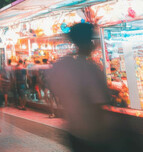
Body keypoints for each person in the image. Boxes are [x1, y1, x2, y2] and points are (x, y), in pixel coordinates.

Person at [47, 23, 114, 152]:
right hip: (93, 134)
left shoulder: (62, 66)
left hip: (72, 131)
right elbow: (101, 103)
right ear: (91, 43)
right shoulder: (91, 69)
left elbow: (55, 89)